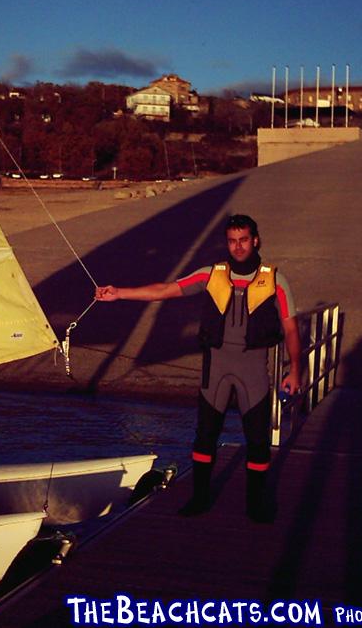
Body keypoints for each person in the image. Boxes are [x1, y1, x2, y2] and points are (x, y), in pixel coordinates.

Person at [95, 214, 300, 523]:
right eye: (232, 241)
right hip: (215, 370)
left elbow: (291, 329)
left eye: (244, 240)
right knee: (204, 437)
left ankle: (256, 503)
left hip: (253, 371)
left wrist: (295, 370)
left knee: (257, 441)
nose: (238, 246)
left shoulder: (275, 279)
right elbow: (164, 290)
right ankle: (200, 498)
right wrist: (120, 293)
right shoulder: (211, 274)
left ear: (256, 240)